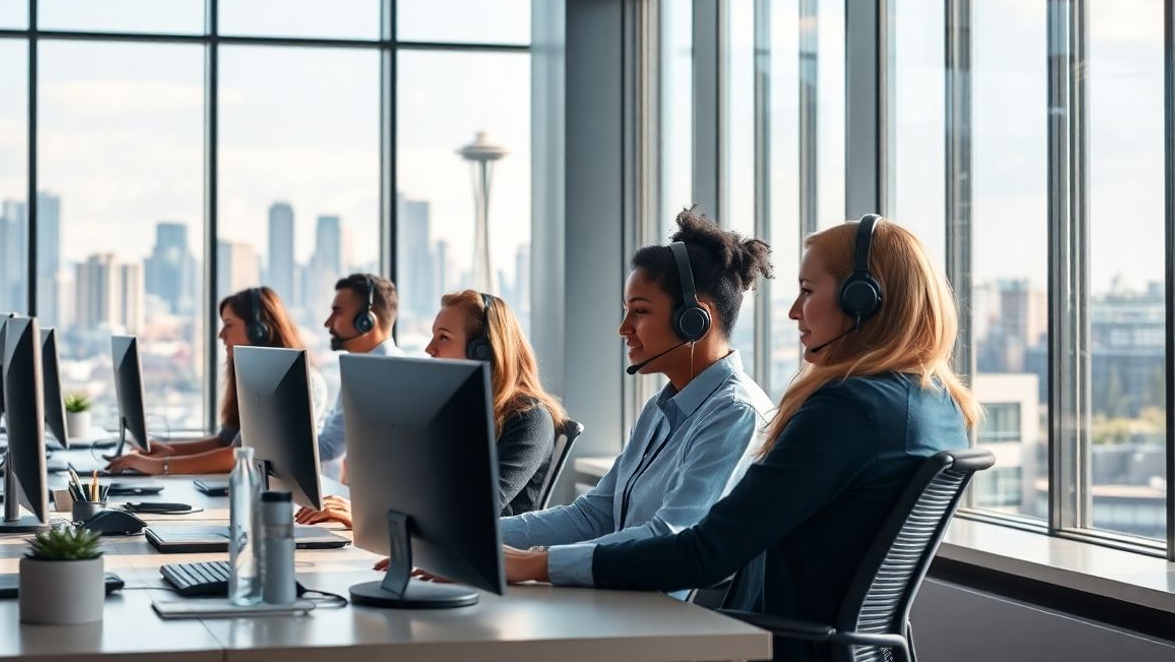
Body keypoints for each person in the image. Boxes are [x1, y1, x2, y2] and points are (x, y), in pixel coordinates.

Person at [503, 215, 982, 662]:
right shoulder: (939, 405)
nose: (794, 311)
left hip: (775, 645)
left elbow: (704, 552)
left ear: (862, 299)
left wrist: (535, 566)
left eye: (808, 291)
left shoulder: (846, 411)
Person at [494, 207, 776, 589]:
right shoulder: (661, 409)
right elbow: (594, 515)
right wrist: (477, 535)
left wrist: (538, 564)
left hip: (671, 622)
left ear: (695, 319)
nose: (624, 328)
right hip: (624, 600)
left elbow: (669, 536)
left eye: (639, 311)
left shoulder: (735, 414)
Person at [297, 290, 570, 527]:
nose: (429, 348)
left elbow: (478, 510)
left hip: (488, 563)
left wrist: (369, 516)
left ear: (482, 352)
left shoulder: (529, 418)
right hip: (431, 549)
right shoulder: (457, 410)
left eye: (443, 337)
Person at [105, 286, 326, 476]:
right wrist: (168, 451)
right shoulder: (256, 376)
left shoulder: (300, 382)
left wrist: (160, 466)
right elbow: (226, 441)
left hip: (288, 504)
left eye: (229, 324)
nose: (221, 335)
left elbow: (240, 455)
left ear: (259, 331)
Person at [313, 273, 404, 478]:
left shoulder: (380, 375)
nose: (328, 323)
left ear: (367, 321)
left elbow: (328, 448)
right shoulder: (366, 369)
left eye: (337, 312)